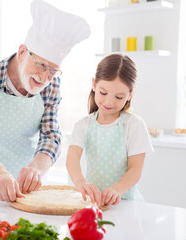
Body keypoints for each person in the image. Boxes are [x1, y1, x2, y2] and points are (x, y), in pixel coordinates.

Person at [0, 0, 90, 202]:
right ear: (23, 52)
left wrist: (36, 169)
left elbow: (51, 136)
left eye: (52, 71)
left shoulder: (52, 85)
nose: (45, 77)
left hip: (27, 192)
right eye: (41, 65)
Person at [66, 54, 153, 207]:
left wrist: (116, 190)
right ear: (94, 84)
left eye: (119, 97)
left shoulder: (134, 125)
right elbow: (72, 157)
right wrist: (80, 182)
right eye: (103, 93)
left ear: (130, 95)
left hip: (126, 204)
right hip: (95, 204)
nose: (108, 102)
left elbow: (135, 169)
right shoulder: (83, 125)